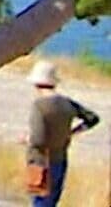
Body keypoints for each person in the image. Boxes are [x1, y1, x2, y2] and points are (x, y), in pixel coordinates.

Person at [26, 60, 100, 206]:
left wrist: (28, 139)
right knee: (52, 201)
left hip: (41, 161)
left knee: (40, 201)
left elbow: (38, 140)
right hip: (60, 158)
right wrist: (73, 132)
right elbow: (92, 119)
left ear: (36, 83)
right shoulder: (67, 103)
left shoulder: (39, 106)